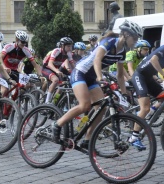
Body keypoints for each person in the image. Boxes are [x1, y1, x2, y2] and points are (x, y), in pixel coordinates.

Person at [52, 20, 142, 149]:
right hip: (80, 72)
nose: (136, 41)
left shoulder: (122, 52)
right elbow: (97, 59)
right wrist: (100, 78)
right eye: (136, 37)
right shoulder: (109, 42)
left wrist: (124, 93)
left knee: (101, 107)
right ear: (127, 34)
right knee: (84, 105)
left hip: (92, 78)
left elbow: (120, 75)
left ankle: (88, 139)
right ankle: (57, 124)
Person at [0, 30, 42, 96]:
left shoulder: (26, 50)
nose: (24, 44)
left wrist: (40, 75)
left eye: (25, 42)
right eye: (22, 42)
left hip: (14, 71)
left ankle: (14, 101)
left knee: (26, 85)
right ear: (17, 39)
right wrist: (4, 67)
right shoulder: (9, 46)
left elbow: (35, 65)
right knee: (4, 90)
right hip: (4, 70)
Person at [42, 37, 75, 103]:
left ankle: (54, 102)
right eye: (68, 46)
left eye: (71, 46)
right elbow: (50, 64)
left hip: (55, 70)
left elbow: (73, 65)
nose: (70, 48)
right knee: (55, 80)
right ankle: (47, 103)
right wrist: (57, 71)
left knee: (61, 86)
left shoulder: (69, 53)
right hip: (47, 68)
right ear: (63, 46)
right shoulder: (57, 51)